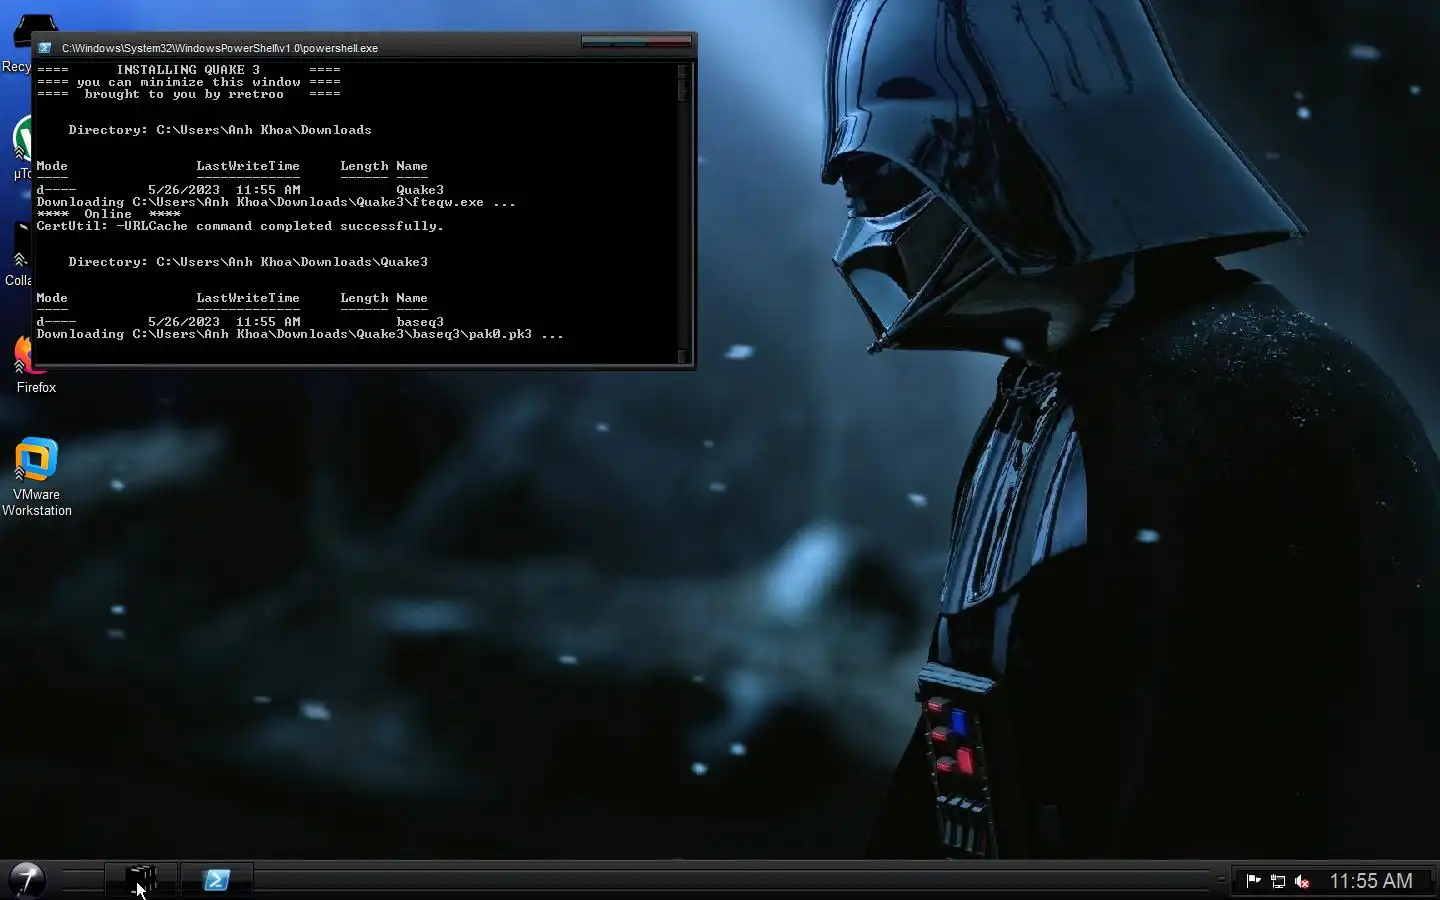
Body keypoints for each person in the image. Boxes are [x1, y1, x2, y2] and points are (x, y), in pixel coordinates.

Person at [821, 0, 1440, 859]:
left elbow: (1290, 782)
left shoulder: (1267, 402)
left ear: (1006, 164)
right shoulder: (1057, 388)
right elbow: (973, 714)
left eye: (886, 183)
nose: (874, 234)